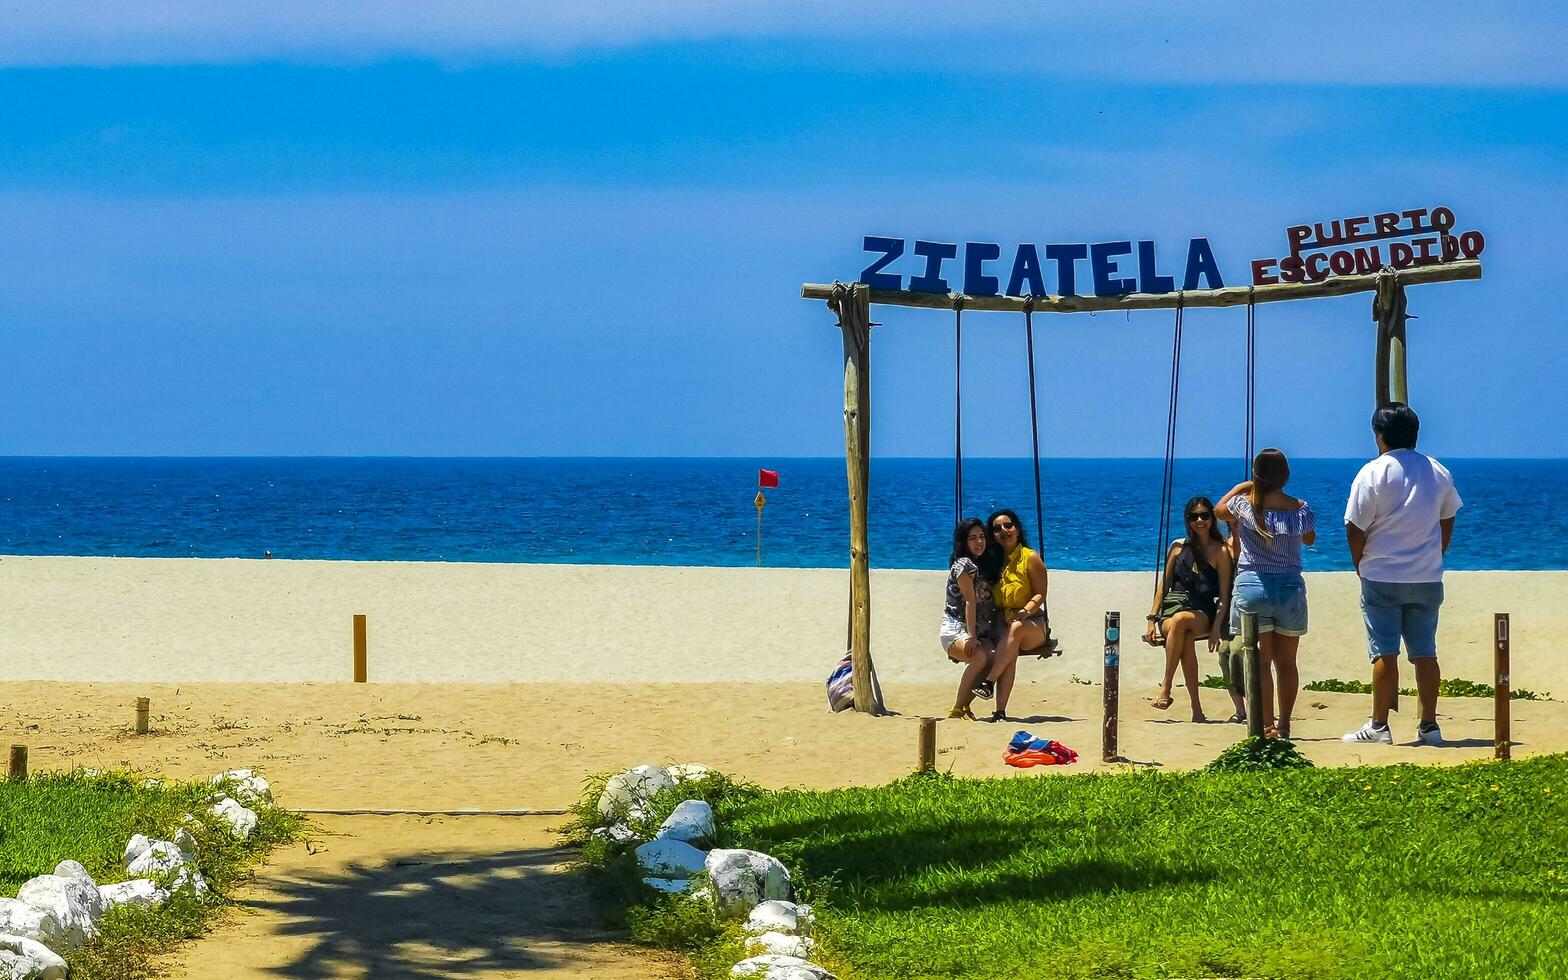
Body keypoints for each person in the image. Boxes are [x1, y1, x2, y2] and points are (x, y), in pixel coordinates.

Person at [1341, 403, 1462, 746]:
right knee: (1425, 651)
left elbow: (1355, 526)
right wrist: (1437, 552)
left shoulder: (1373, 472)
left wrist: (1358, 563)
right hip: (1425, 575)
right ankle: (1429, 725)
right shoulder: (1436, 470)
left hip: (1382, 573)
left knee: (1384, 652)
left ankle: (1379, 725)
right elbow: (1449, 514)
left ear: (1379, 436)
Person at [1215, 449, 1316, 739]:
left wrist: (1243, 486)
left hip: (1252, 586)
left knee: (1260, 662)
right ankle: (1284, 725)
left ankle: (1266, 724)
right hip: (1289, 588)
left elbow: (1219, 510)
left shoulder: (1244, 505)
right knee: (1287, 664)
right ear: (1285, 476)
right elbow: (1309, 538)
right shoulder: (1299, 508)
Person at [1144, 496, 1234, 723]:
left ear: (1212, 518)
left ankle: (1166, 687)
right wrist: (1151, 620)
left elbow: (1224, 596)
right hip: (1172, 610)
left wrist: (1215, 629)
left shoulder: (1221, 552)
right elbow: (1163, 586)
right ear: (1187, 520)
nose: (1199, 520)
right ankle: (1196, 709)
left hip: (1202, 612)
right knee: (1183, 633)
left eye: (1204, 515)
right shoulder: (1177, 547)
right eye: (1194, 516)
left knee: (1182, 621)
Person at [972, 508, 1051, 722]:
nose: (1004, 531)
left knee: (1015, 629)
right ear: (993, 535)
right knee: (1009, 649)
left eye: (1008, 525)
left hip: (1032, 623)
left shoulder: (1030, 557)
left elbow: (1041, 594)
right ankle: (1000, 712)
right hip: (1003, 622)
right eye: (997, 529)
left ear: (1017, 528)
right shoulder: (992, 562)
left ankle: (988, 681)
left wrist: (1025, 612)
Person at [940, 519, 1002, 721]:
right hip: (955, 628)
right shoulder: (963, 565)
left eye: (982, 537)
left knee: (993, 656)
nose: (979, 542)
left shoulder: (979, 565)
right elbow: (969, 602)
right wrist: (972, 637)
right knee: (979, 657)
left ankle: (965, 707)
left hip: (975, 629)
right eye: (973, 538)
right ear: (963, 542)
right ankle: (957, 708)